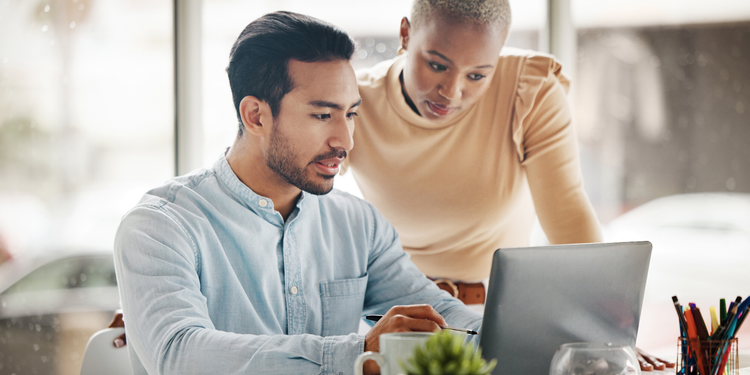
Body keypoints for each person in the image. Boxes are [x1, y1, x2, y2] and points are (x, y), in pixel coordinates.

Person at [113, 11, 481, 375]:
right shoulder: (160, 227)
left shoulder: (359, 224)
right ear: (256, 115)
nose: (345, 140)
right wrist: (356, 353)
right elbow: (181, 354)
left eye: (350, 114)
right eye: (323, 115)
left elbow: (440, 316)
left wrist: (513, 333)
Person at [344, 0, 603, 304]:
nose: (452, 92)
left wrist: (603, 324)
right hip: (394, 309)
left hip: (498, 310)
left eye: (477, 75)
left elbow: (569, 215)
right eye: (438, 66)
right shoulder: (354, 100)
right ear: (405, 34)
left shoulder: (530, 90)